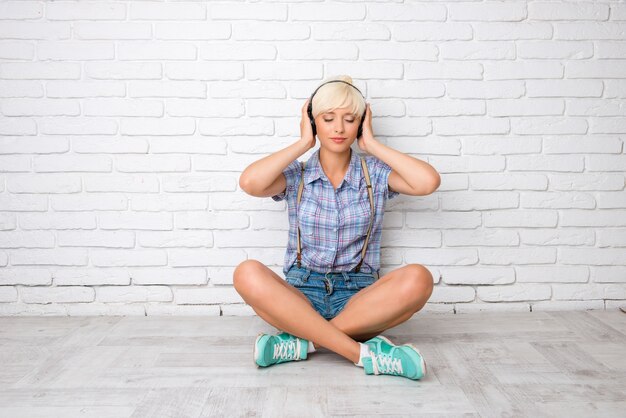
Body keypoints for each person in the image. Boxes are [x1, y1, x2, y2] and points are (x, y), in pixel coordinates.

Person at [235, 75, 440, 380]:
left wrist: (371, 144)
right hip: (300, 297)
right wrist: (303, 142)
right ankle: (364, 354)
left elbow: (428, 182)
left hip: (359, 299)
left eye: (350, 119)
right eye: (328, 118)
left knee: (419, 278)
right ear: (313, 122)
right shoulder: (297, 175)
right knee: (246, 272)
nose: (339, 128)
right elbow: (250, 183)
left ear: (361, 122)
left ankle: (303, 343)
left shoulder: (375, 174)